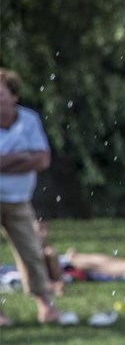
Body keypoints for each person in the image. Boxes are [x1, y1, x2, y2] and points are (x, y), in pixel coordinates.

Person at [0, 67, 64, 325]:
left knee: (32, 252)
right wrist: (21, 158)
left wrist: (5, 161)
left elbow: (42, 159)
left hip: (19, 200)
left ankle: (45, 304)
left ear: (13, 96)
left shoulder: (29, 120)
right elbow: (32, 157)